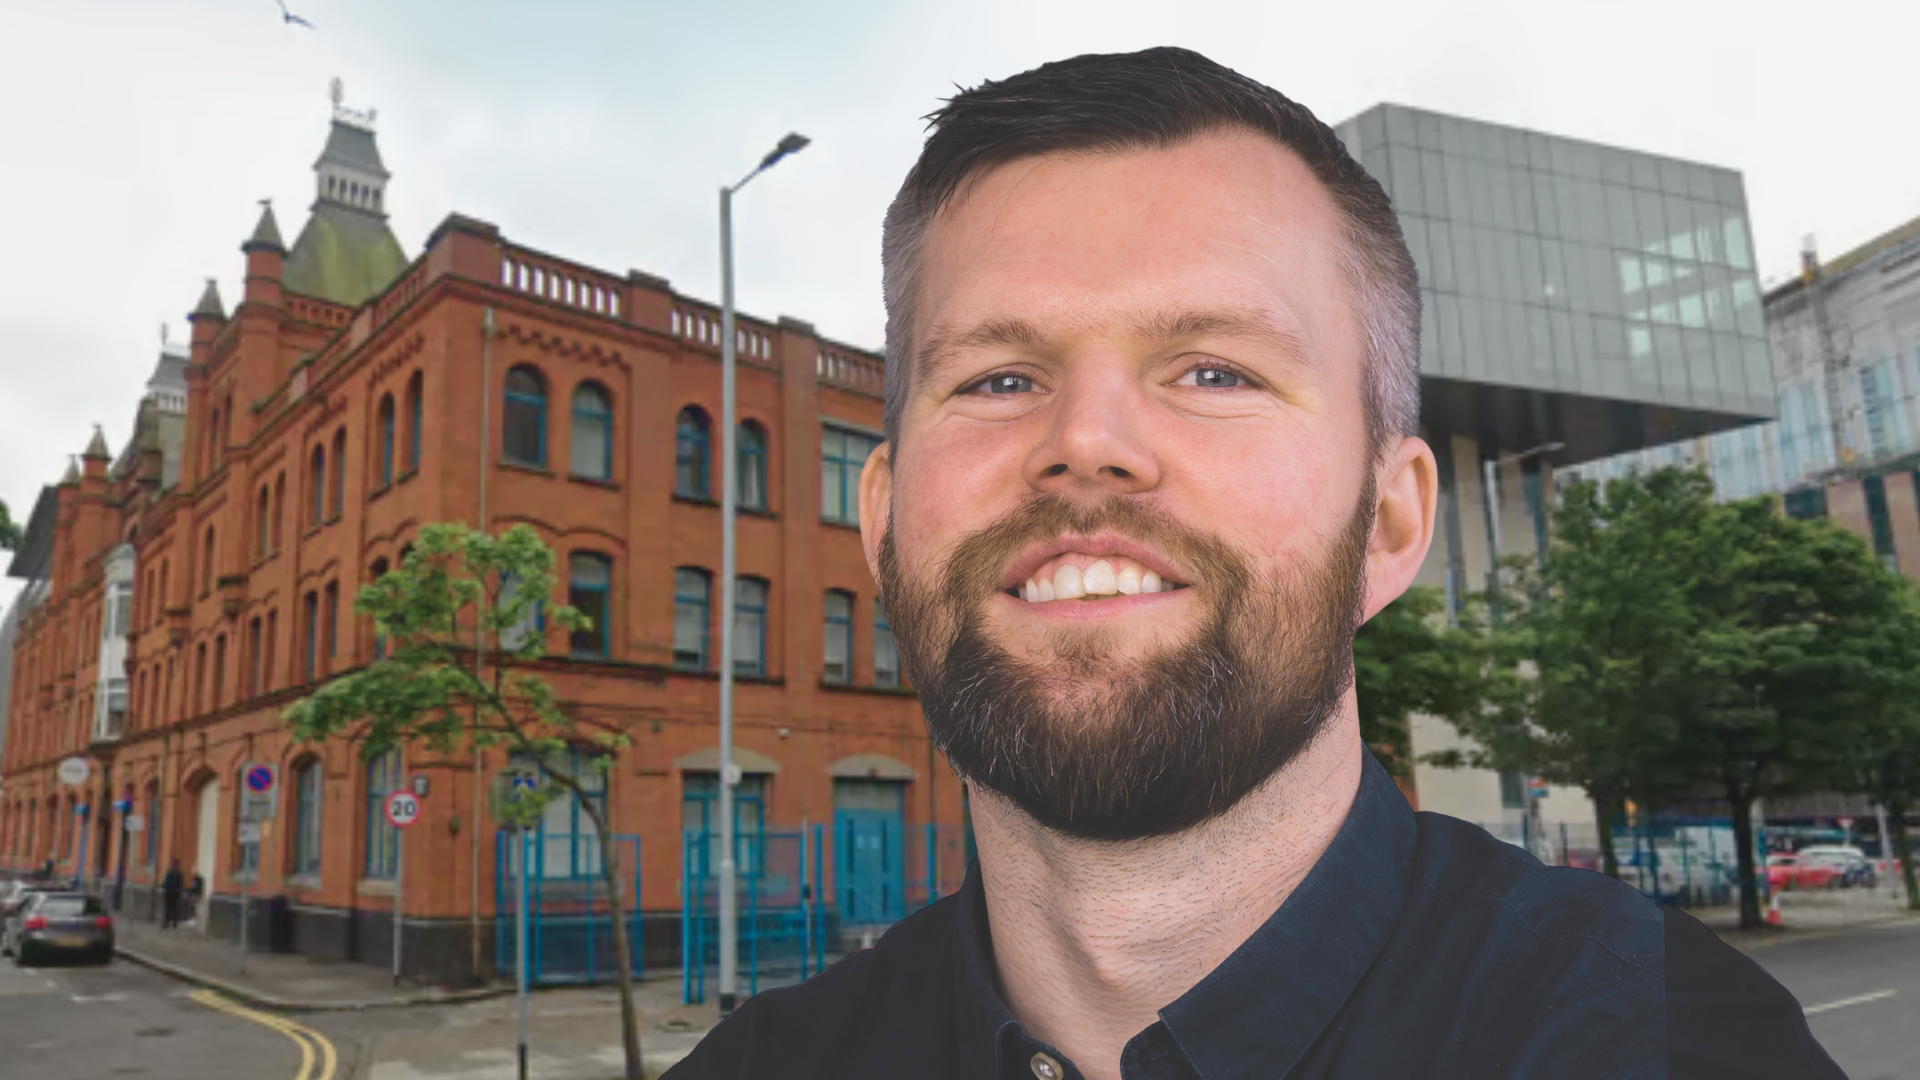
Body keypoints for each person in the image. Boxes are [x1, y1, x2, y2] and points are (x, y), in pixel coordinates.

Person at [668, 47, 1839, 1080]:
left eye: (1215, 372)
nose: (1086, 445)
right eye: (999, 379)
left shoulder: (1666, 1046)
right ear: (882, 525)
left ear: (1387, 522)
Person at [160, 858, 184, 930]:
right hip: (174, 893)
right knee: (173, 908)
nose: (173, 865)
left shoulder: (171, 873)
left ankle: (168, 922)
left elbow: (166, 882)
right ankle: (173, 923)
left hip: (171, 892)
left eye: (174, 864)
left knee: (169, 908)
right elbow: (180, 884)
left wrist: (163, 887)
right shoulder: (178, 873)